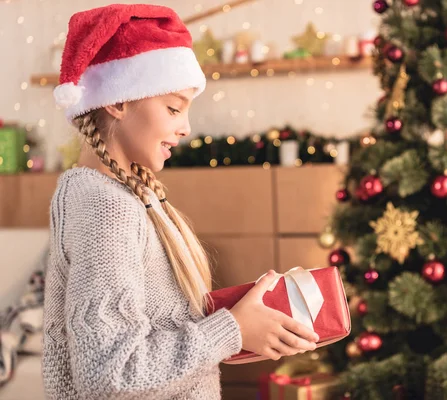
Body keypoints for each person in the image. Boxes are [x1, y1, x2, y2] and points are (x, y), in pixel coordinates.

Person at [42, 4, 319, 400]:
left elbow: (152, 322)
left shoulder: (115, 192)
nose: (185, 128)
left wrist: (243, 317)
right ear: (119, 100)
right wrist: (231, 330)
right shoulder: (106, 207)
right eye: (173, 108)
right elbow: (109, 372)